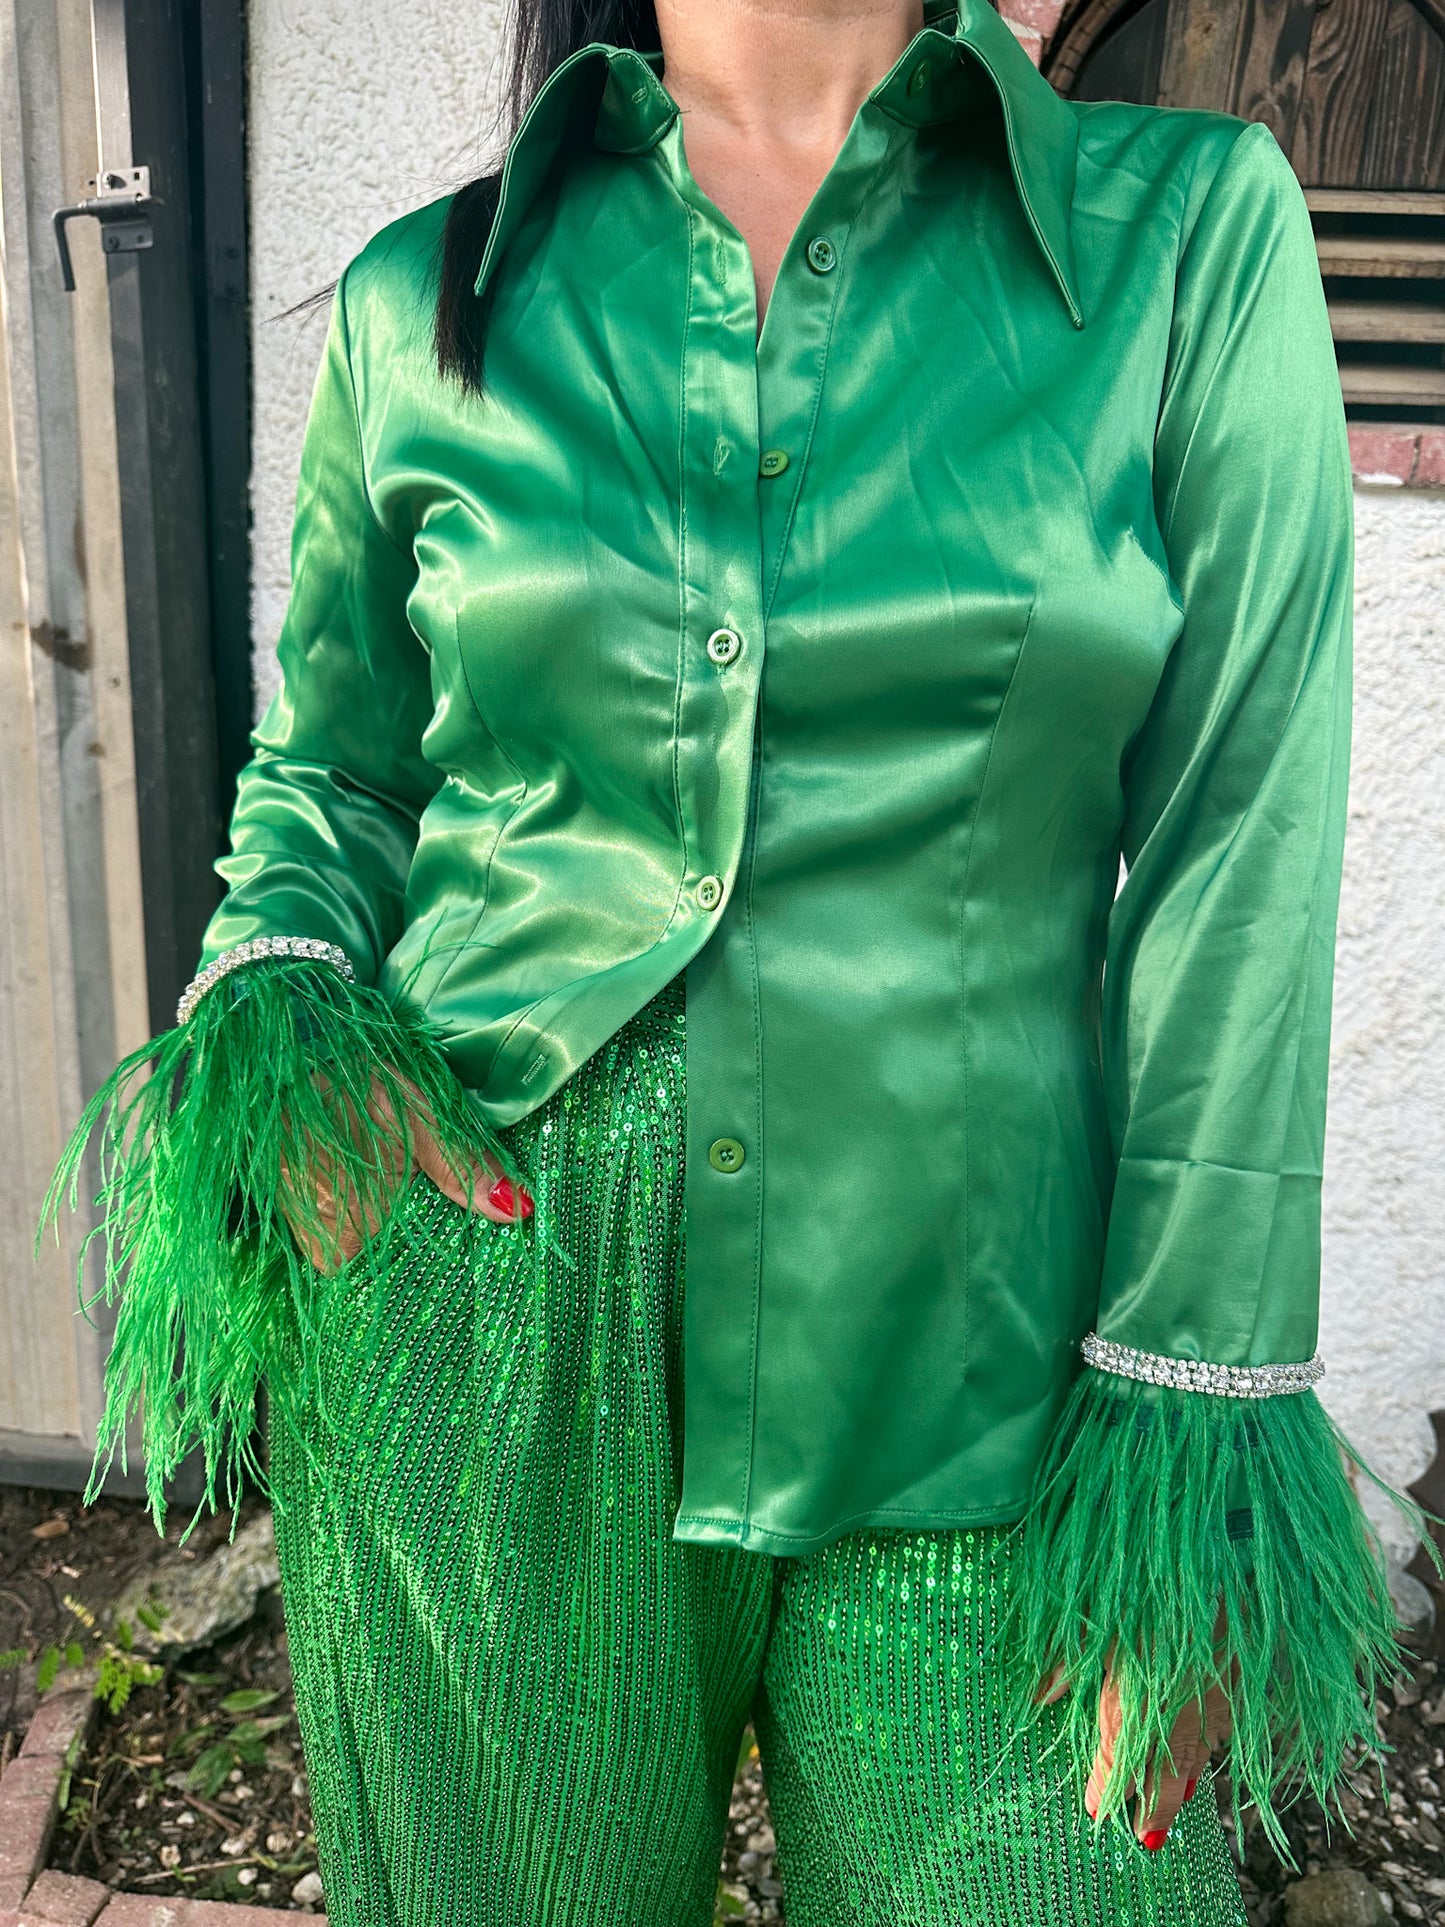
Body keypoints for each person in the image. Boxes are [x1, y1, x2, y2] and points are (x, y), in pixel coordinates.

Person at [43, 0, 1436, 1921]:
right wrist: (290, 1027)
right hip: (484, 1297)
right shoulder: (422, 294)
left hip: (997, 1351)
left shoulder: (1183, 235)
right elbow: (336, 770)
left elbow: (1239, 840)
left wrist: (1189, 1422)